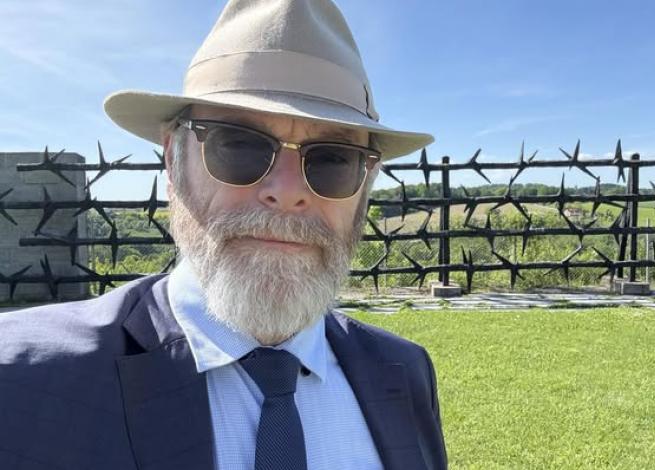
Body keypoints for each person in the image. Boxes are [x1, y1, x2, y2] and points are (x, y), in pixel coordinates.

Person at [0, 0, 447, 469]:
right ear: (173, 161)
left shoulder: (405, 372)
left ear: (365, 185)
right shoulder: (23, 379)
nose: (287, 192)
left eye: (333, 159)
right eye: (238, 144)